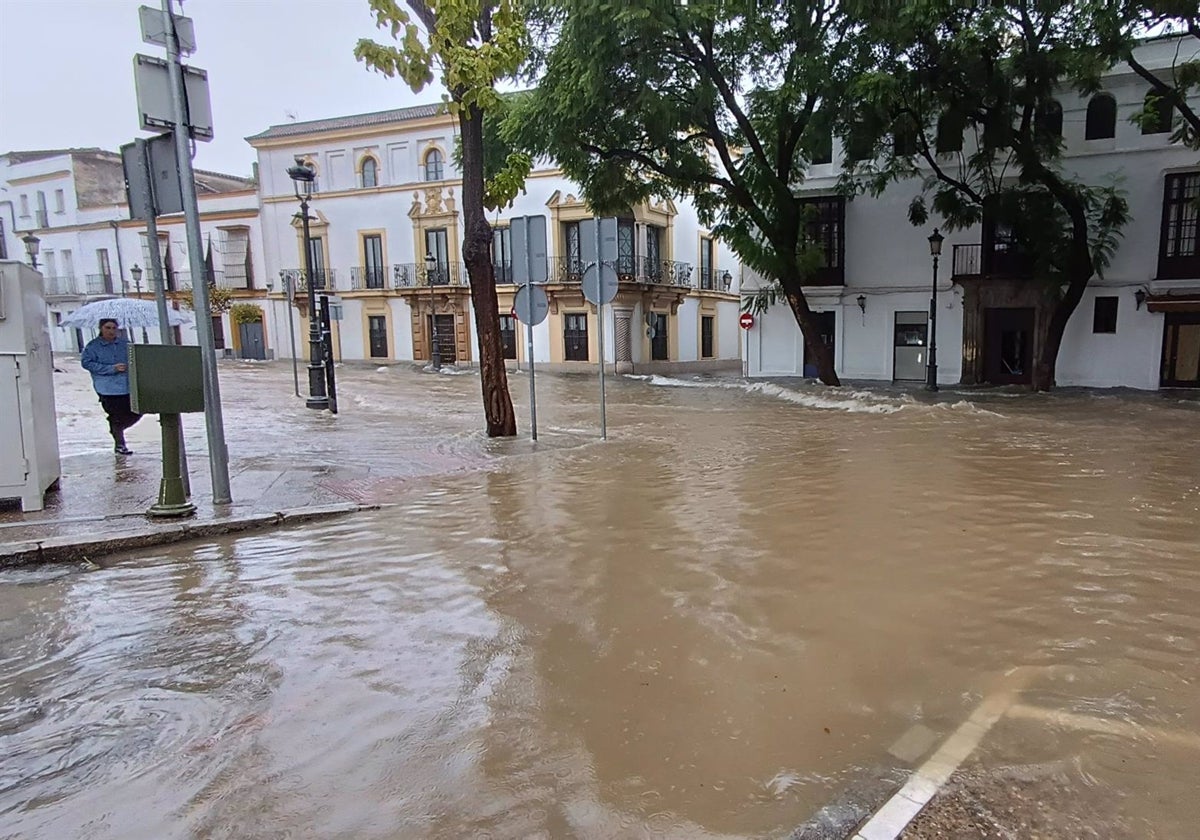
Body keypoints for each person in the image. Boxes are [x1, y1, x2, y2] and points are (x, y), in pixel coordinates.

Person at [81, 318, 142, 455]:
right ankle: (120, 443)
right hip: (107, 388)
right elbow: (86, 363)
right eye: (108, 328)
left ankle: (116, 428)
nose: (111, 331)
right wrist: (111, 368)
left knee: (136, 412)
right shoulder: (93, 346)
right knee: (116, 415)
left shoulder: (125, 344)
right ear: (101, 329)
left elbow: (136, 359)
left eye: (114, 328)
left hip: (127, 386)